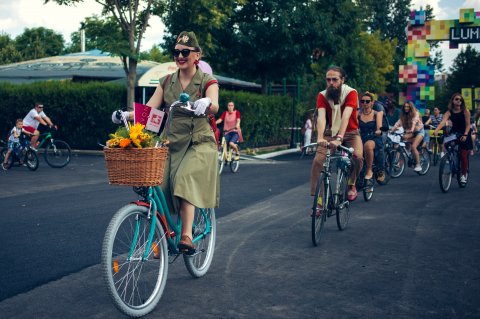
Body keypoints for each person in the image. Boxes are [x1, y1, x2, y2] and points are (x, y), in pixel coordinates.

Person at [112, 31, 219, 254]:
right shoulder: (167, 81)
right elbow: (149, 110)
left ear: (196, 55)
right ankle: (165, 235)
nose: (180, 56)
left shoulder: (207, 80)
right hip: (170, 142)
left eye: (185, 52)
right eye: (177, 52)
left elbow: (215, 104)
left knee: (184, 178)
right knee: (156, 184)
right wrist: (126, 115)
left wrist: (207, 102)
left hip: (198, 141)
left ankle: (187, 235)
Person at [310, 65, 363, 204]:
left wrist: (340, 138)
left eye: (335, 79)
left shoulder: (351, 92)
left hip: (351, 133)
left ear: (342, 80)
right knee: (318, 161)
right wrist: (320, 137)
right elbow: (321, 117)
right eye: (328, 80)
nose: (331, 83)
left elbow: (346, 116)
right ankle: (319, 199)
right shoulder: (322, 95)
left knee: (358, 158)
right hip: (331, 133)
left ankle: (352, 182)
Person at [434, 93, 472, 184]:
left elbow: (468, 125)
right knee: (446, 144)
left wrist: (465, 135)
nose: (459, 101)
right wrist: (437, 130)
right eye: (457, 99)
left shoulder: (465, 111)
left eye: (460, 100)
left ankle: (464, 174)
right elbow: (443, 122)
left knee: (463, 154)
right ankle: (451, 158)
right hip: (454, 132)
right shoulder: (449, 112)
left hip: (464, 132)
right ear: (453, 101)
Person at [390, 101, 425, 172]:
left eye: (408, 107)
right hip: (410, 132)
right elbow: (398, 123)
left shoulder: (416, 113)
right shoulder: (403, 115)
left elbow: (414, 122)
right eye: (405, 107)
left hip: (418, 131)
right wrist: (391, 131)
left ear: (411, 107)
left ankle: (418, 165)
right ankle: (398, 163)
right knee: (398, 144)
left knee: (413, 147)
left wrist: (411, 129)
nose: (406, 108)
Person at [358, 92, 384, 181]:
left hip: (374, 137)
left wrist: (378, 131)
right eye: (363, 101)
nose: (365, 103)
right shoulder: (358, 113)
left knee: (368, 146)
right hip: (361, 138)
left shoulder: (377, 114)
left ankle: (369, 170)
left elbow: (379, 127)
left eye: (367, 101)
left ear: (372, 102)